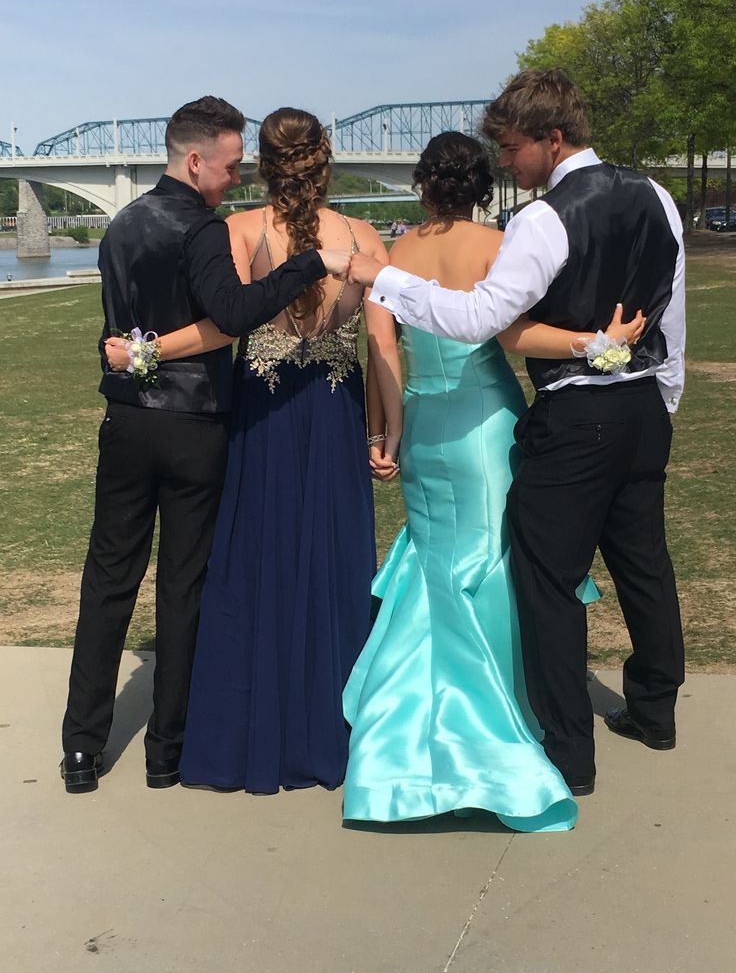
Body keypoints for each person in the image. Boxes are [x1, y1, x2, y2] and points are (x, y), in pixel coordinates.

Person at [349, 69, 686, 797]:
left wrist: (386, 277)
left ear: (551, 138)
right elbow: (673, 307)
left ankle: (570, 751)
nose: (506, 160)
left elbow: (478, 321)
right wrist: (663, 396)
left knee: (546, 576)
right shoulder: (657, 195)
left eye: (513, 146)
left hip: (579, 415)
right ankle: (656, 709)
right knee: (645, 563)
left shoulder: (542, 218)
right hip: (642, 410)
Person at [60, 96, 349, 794]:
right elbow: (235, 314)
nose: (236, 174)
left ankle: (80, 746)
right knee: (183, 584)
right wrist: (309, 264)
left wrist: (135, 356)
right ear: (195, 161)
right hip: (193, 427)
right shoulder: (204, 231)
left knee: (108, 581)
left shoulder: (121, 226)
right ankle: (167, 750)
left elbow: (119, 327)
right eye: (228, 163)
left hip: (126, 423)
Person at [122, 108, 402, 794]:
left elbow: (222, 330)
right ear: (324, 162)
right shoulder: (362, 236)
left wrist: (147, 349)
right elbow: (384, 345)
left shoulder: (238, 230)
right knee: (332, 563)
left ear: (267, 166)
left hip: (263, 416)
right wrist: (385, 434)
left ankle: (251, 734)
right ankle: (327, 728)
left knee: (255, 561)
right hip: (334, 412)